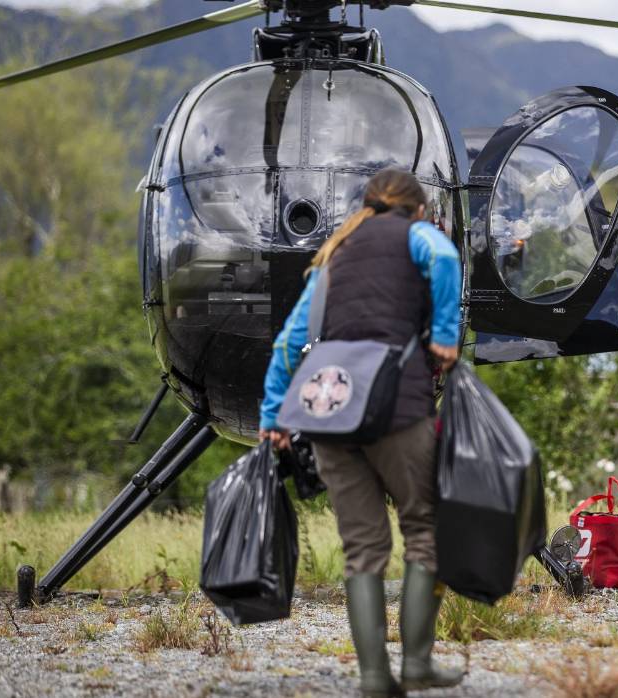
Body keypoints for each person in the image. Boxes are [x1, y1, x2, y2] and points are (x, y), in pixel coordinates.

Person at [259, 169, 462, 697]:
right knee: (427, 529)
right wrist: (443, 333)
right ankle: (416, 664)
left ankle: (375, 677)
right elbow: (444, 258)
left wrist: (273, 417)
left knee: (363, 548)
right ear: (415, 208)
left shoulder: (334, 255)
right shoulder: (416, 234)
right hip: (394, 403)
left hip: (327, 412)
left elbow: (289, 342)